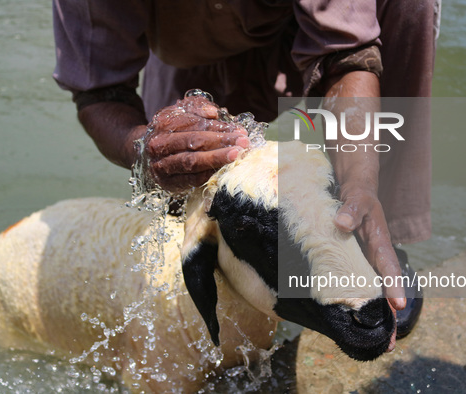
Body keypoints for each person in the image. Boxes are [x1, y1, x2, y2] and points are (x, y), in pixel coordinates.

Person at [53, 0, 441, 352]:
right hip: (187, 45)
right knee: (187, 184)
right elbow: (101, 91)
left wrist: (360, 184)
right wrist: (143, 149)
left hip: (306, 23)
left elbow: (349, 54)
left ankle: (372, 234)